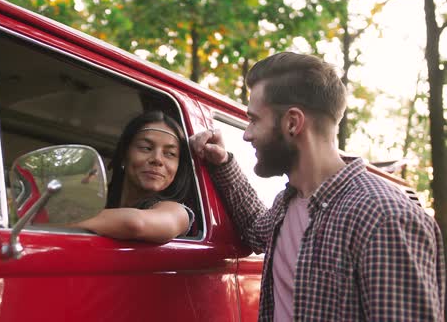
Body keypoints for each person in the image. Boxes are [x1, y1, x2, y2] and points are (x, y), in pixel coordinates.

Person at [189, 52, 445, 321]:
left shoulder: (384, 217)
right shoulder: (288, 203)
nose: (247, 134)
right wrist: (222, 163)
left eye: (254, 120)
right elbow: (255, 229)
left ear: (292, 123)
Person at [70, 110, 194, 244]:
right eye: (146, 148)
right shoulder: (94, 200)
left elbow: (135, 223)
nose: (157, 159)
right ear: (124, 154)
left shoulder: (178, 212)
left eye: (170, 153)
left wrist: (63, 222)